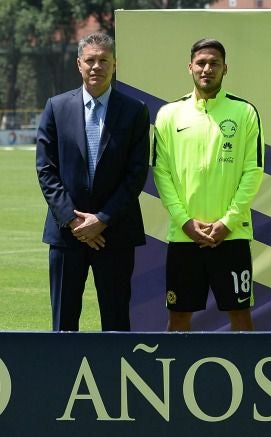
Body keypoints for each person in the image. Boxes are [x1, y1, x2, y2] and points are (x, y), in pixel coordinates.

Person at [36, 32, 150, 331]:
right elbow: (46, 170)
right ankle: (61, 377)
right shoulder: (56, 107)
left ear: (115, 65)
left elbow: (136, 173)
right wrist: (75, 223)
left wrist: (103, 219)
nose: (96, 66)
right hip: (66, 235)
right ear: (79, 64)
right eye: (90, 60)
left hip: (115, 234)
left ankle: (116, 377)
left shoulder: (135, 110)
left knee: (115, 323)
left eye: (103, 60)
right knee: (63, 324)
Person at [153, 38, 264, 331]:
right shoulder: (169, 114)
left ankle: (247, 376)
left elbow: (253, 172)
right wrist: (185, 221)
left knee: (240, 315)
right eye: (201, 63)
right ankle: (175, 376)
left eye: (214, 63)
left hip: (232, 235)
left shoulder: (245, 112)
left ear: (225, 69)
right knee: (179, 317)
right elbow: (161, 174)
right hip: (184, 237)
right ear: (190, 67)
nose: (207, 69)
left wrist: (227, 222)